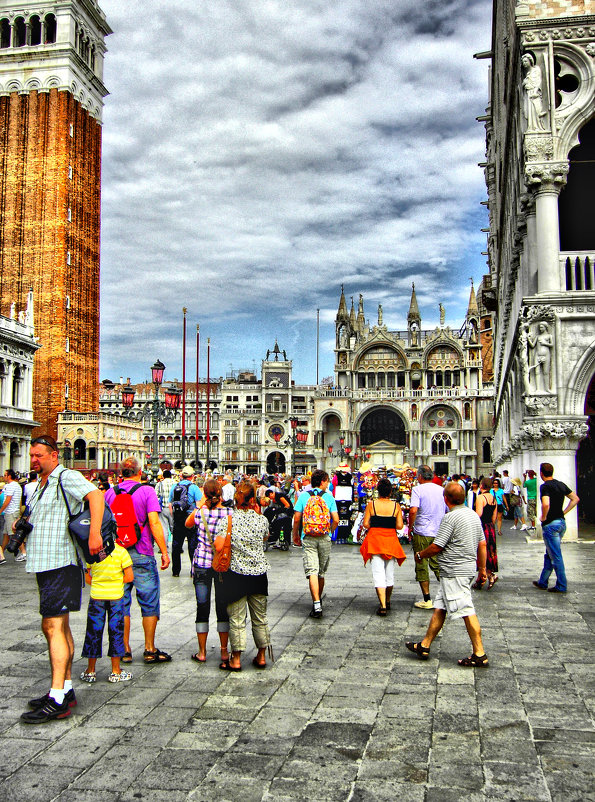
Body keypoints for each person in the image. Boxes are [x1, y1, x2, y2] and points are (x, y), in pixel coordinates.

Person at [20, 435, 104, 723]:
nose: (34, 460)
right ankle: (65, 689)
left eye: (39, 455)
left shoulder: (65, 476)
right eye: (32, 455)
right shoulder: (42, 484)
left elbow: (96, 495)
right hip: (46, 562)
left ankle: (56, 698)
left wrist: (94, 534)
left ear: (54, 455)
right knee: (59, 625)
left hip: (60, 561)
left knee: (52, 625)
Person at [405, 482, 489, 667]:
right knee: (440, 607)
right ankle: (425, 645)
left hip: (454, 571)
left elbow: (437, 546)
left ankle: (479, 652)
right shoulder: (473, 515)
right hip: (464, 569)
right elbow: (482, 545)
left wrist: (420, 554)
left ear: (446, 499)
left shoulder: (450, 518)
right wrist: (482, 570)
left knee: (466, 609)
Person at [105, 457, 171, 664]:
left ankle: (124, 649)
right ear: (139, 471)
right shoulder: (147, 491)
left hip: (116, 555)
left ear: (121, 473)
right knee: (149, 601)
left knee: (122, 603)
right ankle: (150, 649)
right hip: (142, 552)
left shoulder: (109, 493)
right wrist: (164, 551)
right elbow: (154, 522)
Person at [220, 481, 271, 671]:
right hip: (258, 573)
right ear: (253, 500)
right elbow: (265, 537)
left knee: (237, 619)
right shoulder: (261, 520)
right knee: (260, 617)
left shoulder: (228, 520)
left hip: (236, 574)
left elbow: (219, 545)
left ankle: (237, 659)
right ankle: (261, 656)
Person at [185, 478, 230, 664]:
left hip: (202, 564)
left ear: (205, 493)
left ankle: (202, 652)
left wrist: (200, 505)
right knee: (222, 607)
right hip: (221, 564)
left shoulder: (199, 513)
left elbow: (187, 524)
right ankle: (224, 651)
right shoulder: (229, 512)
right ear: (220, 494)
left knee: (202, 607)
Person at [80, 542, 134, 683]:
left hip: (96, 596)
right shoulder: (122, 552)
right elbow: (129, 577)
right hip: (116, 597)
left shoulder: (91, 551)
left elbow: (87, 577)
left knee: (93, 632)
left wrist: (100, 582)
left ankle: (90, 671)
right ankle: (116, 671)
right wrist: (114, 582)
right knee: (116, 632)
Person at [292, 469, 339, 619]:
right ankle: (319, 598)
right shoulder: (329, 497)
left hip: (308, 536)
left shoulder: (304, 496)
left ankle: (316, 603)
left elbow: (297, 518)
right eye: (328, 481)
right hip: (325, 536)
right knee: (321, 572)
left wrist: (295, 535)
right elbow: (336, 519)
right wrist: (330, 532)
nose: (329, 483)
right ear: (323, 481)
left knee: (312, 570)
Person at [360, 478, 406, 615]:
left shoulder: (371, 505)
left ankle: (383, 605)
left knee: (378, 574)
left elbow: (366, 524)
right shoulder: (396, 506)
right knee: (389, 574)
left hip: (375, 541)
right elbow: (399, 526)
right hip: (390, 541)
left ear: (378, 491)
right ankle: (388, 599)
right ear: (391, 492)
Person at [532, 463, 579, 594]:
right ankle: (543, 581)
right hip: (561, 523)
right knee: (550, 553)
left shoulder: (545, 486)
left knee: (555, 555)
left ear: (541, 473)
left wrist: (543, 516)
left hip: (551, 524)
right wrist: (564, 512)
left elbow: (546, 503)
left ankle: (561, 585)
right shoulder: (561, 484)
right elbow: (575, 499)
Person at [408, 465, 447, 609]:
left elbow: (413, 510)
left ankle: (427, 599)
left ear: (419, 476)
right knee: (438, 564)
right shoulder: (442, 490)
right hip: (439, 532)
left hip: (422, 532)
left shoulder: (417, 490)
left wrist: (410, 527)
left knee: (421, 562)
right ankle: (449, 595)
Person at [169, 466, 202, 577]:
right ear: (192, 476)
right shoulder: (194, 488)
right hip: (190, 518)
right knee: (192, 546)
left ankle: (176, 571)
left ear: (182, 475)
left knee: (176, 545)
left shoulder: (174, 486)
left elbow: (170, 504)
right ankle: (193, 571)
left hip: (178, 518)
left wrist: (174, 516)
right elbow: (198, 505)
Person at [474, 477, 498, 590]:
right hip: (490, 527)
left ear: (482, 485)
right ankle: (489, 575)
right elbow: (494, 517)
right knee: (490, 551)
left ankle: (484, 577)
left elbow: (478, 514)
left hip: (482, 527)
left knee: (482, 552)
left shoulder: (480, 497)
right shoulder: (493, 498)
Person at [1, 468, 26, 561]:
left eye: (5, 475)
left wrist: (0, 510)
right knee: (6, 534)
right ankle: (1, 553)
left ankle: (23, 552)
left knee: (14, 533)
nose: (3, 477)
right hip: (13, 511)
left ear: (9, 476)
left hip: (10, 512)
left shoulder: (10, 486)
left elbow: (8, 500)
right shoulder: (17, 485)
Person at [155, 469, 176, 544]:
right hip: (173, 508)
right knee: (174, 527)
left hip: (163, 508)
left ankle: (164, 545)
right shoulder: (175, 483)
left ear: (163, 476)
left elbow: (155, 495)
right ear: (171, 476)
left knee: (164, 527)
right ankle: (177, 545)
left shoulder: (159, 484)